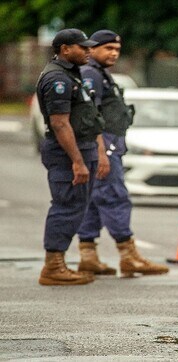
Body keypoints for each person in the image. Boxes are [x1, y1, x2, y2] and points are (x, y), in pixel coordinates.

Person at [76, 30, 169, 278]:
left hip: (106, 145)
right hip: (103, 147)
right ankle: (129, 256)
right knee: (114, 197)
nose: (113, 54)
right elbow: (90, 117)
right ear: (92, 48)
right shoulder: (90, 74)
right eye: (107, 49)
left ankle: (88, 255)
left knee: (94, 201)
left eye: (116, 50)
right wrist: (101, 154)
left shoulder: (99, 74)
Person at [36, 28, 109, 285]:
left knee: (76, 206)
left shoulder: (72, 74)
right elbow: (60, 124)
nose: (89, 51)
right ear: (65, 49)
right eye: (83, 47)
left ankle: (58, 262)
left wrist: (96, 152)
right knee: (66, 206)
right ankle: (53, 267)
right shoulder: (58, 79)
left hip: (83, 148)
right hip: (67, 153)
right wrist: (77, 161)